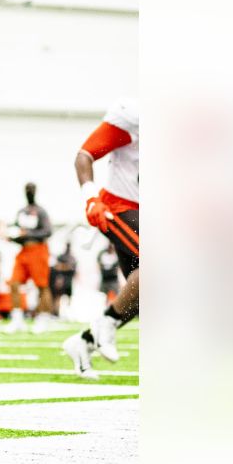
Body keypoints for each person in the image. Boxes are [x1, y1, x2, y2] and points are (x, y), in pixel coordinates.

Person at [64, 99, 139, 379]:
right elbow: (84, 155)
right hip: (117, 207)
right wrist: (90, 198)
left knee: (139, 297)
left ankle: (83, 342)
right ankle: (104, 325)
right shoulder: (135, 117)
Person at [5, 182, 55, 334]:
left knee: (41, 285)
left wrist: (27, 234)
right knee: (14, 282)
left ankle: (43, 318)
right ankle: (17, 318)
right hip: (23, 250)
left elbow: (47, 231)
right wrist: (10, 236)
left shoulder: (41, 212)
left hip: (38, 250)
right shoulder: (21, 212)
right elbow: (16, 230)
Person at [50, 242, 77, 310]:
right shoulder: (69, 258)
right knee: (56, 297)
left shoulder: (70, 258)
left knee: (59, 297)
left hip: (65, 281)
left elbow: (72, 271)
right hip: (60, 280)